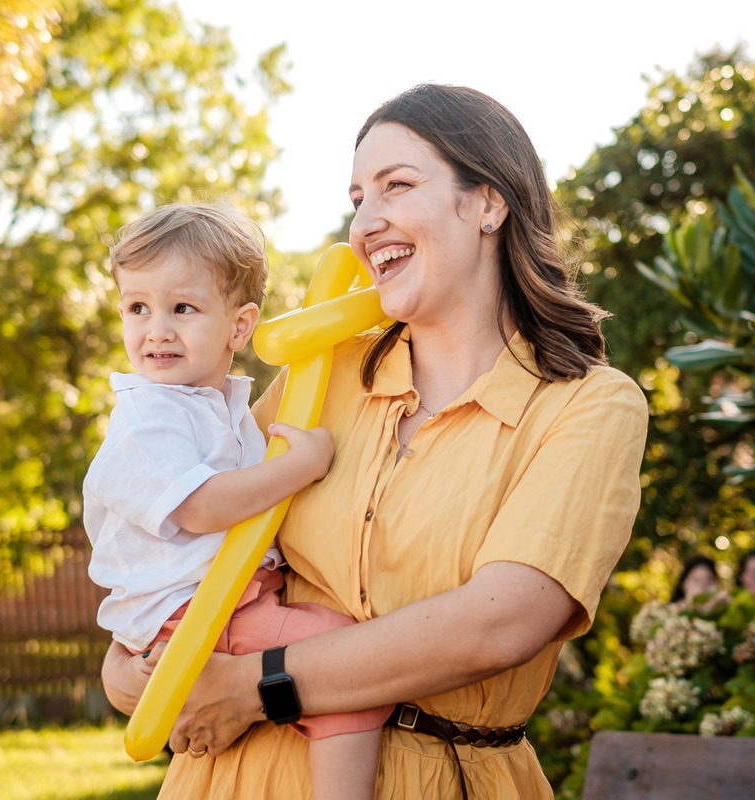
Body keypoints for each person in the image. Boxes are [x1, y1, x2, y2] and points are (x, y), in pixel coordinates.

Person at [100, 85, 649, 799]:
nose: (366, 220)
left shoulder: (589, 405)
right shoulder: (321, 379)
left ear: (488, 202)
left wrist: (256, 686)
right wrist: (128, 662)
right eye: (358, 196)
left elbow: (501, 623)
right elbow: (182, 535)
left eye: (397, 185)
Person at [83, 203, 389, 800]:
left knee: (337, 656)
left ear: (240, 326)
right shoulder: (148, 417)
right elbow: (202, 508)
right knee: (350, 672)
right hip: (198, 615)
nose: (157, 329)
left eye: (183, 308)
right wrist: (302, 466)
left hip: (224, 602)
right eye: (137, 307)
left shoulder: (215, 405)